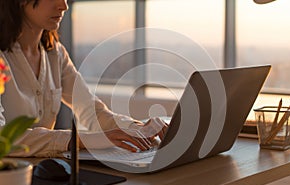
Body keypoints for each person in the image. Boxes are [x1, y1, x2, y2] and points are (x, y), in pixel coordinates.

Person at [0, 0, 168, 157]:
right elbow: (2, 138)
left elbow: (91, 110)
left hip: (43, 170)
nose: (64, 6)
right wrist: (81, 140)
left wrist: (137, 128)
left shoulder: (55, 54)